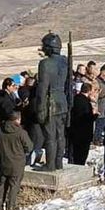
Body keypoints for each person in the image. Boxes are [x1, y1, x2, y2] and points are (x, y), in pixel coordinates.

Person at [36, 32, 72, 171]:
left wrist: (40, 108)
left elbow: (43, 87)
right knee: (60, 135)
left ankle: (50, 165)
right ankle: (58, 162)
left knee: (50, 136)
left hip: (50, 102)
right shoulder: (64, 61)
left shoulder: (45, 63)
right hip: (62, 100)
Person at [0, 111, 33, 210]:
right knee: (14, 185)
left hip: (3, 161)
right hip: (17, 163)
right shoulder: (21, 132)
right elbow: (29, 147)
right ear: (17, 120)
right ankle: (11, 206)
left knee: (2, 184)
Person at [68, 84, 97, 165]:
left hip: (74, 130)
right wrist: (95, 115)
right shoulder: (86, 102)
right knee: (81, 155)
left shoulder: (75, 99)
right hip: (84, 133)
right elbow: (86, 118)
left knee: (74, 153)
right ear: (89, 91)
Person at [93, 67, 105, 146]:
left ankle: (99, 137)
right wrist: (104, 95)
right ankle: (96, 139)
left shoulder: (104, 82)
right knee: (99, 124)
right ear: (101, 74)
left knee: (102, 124)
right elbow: (96, 95)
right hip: (100, 106)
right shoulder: (97, 82)